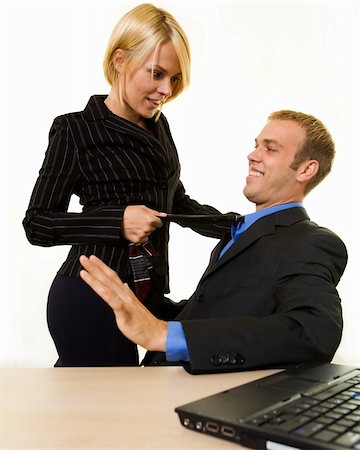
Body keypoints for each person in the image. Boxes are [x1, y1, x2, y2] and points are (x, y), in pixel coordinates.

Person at [22, 3, 232, 367]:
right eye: (156, 73)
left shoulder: (158, 125)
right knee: (100, 416)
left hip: (145, 292)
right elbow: (37, 223)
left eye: (175, 78)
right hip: (91, 297)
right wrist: (117, 221)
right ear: (119, 60)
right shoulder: (75, 130)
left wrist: (235, 227)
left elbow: (174, 201)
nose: (166, 89)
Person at [79, 110, 348, 374]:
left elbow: (312, 332)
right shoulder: (241, 232)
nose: (252, 155)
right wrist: (138, 303)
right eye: (256, 146)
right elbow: (215, 310)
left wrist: (163, 334)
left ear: (306, 169)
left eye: (270, 148)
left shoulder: (312, 242)